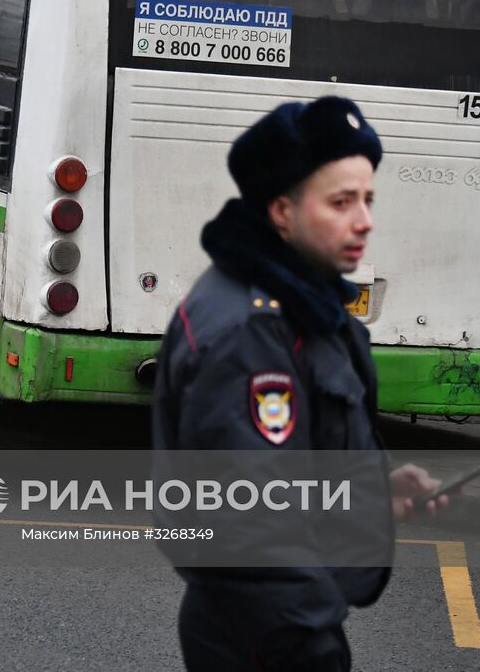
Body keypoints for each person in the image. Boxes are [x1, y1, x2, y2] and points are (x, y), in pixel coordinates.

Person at [152, 96, 446, 672]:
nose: (364, 220)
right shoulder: (252, 332)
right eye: (341, 202)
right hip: (270, 636)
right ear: (282, 212)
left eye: (368, 199)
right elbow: (248, 524)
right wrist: (314, 646)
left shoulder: (299, 303)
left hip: (271, 626)